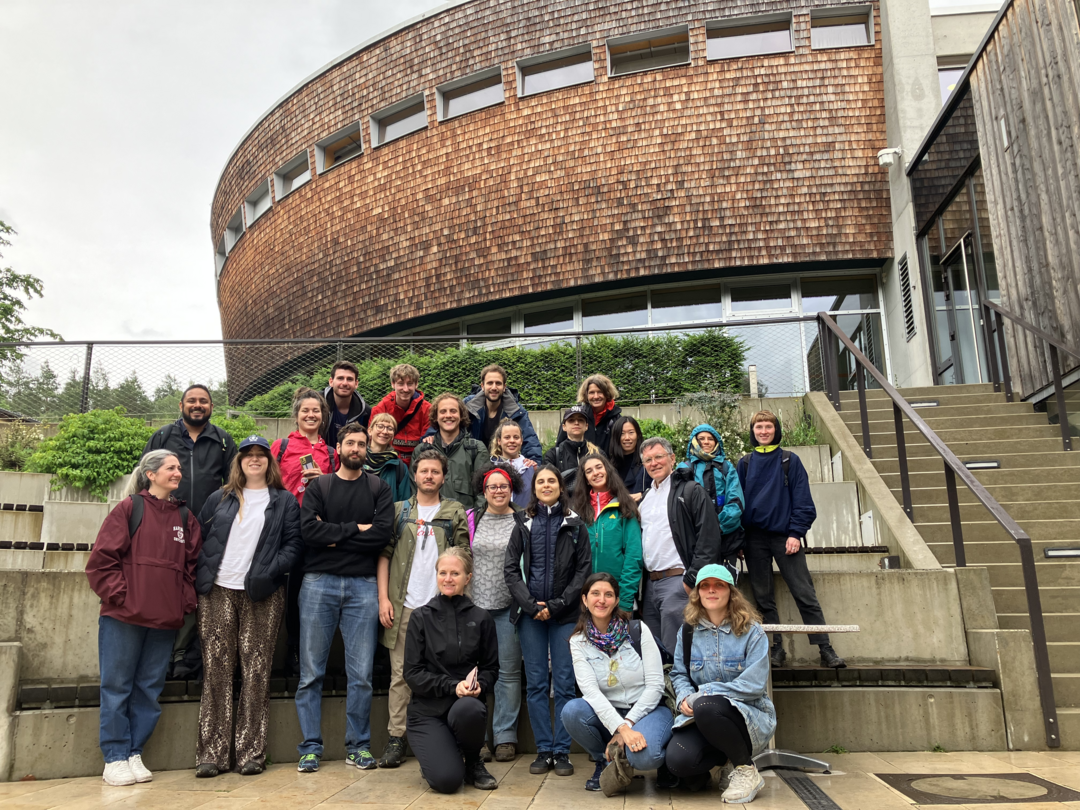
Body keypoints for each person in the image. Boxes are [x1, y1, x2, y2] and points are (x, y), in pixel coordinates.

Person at [86, 450, 202, 786]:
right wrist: (122, 596)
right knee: (117, 686)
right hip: (123, 617)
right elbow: (102, 560)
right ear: (151, 474)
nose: (177, 472)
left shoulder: (185, 516)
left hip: (164, 620)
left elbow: (191, 566)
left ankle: (134, 750)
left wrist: (183, 602)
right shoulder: (129, 508)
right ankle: (115, 756)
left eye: (179, 468)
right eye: (170, 468)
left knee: (148, 689)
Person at [194, 436, 303, 778]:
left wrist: (271, 571)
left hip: (262, 593)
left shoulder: (283, 501)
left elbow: (293, 544)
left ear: (269, 462)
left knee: (256, 672)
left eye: (260, 455)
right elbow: (200, 538)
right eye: (247, 455)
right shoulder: (221, 497)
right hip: (217, 591)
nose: (254, 460)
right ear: (239, 462)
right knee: (216, 670)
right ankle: (211, 753)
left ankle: (251, 752)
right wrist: (204, 575)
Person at [295, 423, 393, 773]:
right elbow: (309, 532)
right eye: (350, 442)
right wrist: (356, 529)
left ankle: (359, 746)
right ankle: (309, 747)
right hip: (318, 583)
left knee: (361, 674)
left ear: (367, 449)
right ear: (338, 447)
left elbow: (382, 534)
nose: (356, 448)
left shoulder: (378, 487)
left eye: (361, 444)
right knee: (310, 673)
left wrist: (334, 535)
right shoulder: (319, 485)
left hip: (363, 586)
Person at [376, 445, 470, 769]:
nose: (429, 476)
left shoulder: (455, 511)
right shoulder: (399, 510)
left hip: (440, 608)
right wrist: (383, 599)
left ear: (444, 477)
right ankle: (396, 738)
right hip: (404, 607)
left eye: (435, 471)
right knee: (400, 675)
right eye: (423, 471)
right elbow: (384, 555)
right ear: (414, 475)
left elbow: (463, 556)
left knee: (445, 673)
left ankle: (447, 736)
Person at [736, 411, 845, 669]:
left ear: (776, 430)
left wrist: (796, 533)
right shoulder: (745, 463)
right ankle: (776, 648)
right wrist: (739, 540)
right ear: (753, 431)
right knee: (763, 597)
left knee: (804, 593)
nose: (764, 431)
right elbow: (737, 503)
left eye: (768, 427)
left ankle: (825, 649)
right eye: (759, 427)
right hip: (754, 540)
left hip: (786, 537)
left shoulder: (789, 460)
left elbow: (804, 502)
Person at [142, 384, 237, 679]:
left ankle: (183, 653)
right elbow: (143, 479)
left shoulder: (222, 440)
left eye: (204, 401)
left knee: (196, 589)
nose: (198, 405)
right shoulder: (162, 437)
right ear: (181, 404)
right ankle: (160, 653)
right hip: (165, 525)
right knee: (163, 586)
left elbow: (235, 482)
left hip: (208, 530)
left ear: (211, 406)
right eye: (192, 401)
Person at [504, 464, 592, 777]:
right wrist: (530, 605)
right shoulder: (522, 522)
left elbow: (583, 571)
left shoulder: (575, 523)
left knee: (566, 684)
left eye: (551, 480)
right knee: (538, 683)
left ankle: (562, 751)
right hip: (530, 617)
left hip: (565, 615)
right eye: (540, 481)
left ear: (560, 486)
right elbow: (511, 570)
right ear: (534, 488)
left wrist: (556, 605)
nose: (545, 485)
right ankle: (544, 750)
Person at [666, 565, 775, 803]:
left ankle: (745, 769)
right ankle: (727, 761)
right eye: (705, 586)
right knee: (678, 762)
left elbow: (754, 685)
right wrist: (685, 696)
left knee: (707, 705)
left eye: (719, 585)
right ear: (698, 593)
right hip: (702, 715)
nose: (711, 591)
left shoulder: (752, 632)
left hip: (748, 717)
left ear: (731, 592)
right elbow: (679, 674)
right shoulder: (688, 631)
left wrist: (703, 694)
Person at [562, 573, 673, 795]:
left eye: (608, 595)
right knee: (572, 711)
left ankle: (650, 761)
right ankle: (605, 762)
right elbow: (591, 693)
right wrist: (620, 727)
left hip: (648, 710)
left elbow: (655, 686)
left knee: (645, 757)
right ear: (584, 600)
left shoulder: (638, 632)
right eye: (595, 594)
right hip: (609, 713)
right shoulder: (578, 642)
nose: (601, 600)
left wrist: (627, 726)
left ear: (616, 601)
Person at [404, 547, 500, 793]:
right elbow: (412, 674)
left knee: (470, 708)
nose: (448, 579)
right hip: (427, 712)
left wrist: (481, 685)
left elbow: (491, 668)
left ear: (468, 578)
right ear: (436, 576)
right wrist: (451, 686)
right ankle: (441, 757)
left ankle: (473, 761)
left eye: (455, 573)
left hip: (465, 707)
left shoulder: (482, 618)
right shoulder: (420, 617)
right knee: (447, 782)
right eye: (443, 572)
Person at [271, 387, 337, 678]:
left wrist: (323, 481)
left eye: (316, 411)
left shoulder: (331, 453)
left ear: (323, 416)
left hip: (317, 527)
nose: (311, 415)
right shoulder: (281, 446)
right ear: (296, 415)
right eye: (305, 411)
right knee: (288, 590)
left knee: (309, 593)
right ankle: (291, 653)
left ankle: (306, 654)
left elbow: (339, 492)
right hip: (287, 525)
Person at [637, 437, 722, 655]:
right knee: (656, 654)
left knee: (678, 653)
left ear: (672, 459)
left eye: (659, 457)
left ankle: (682, 690)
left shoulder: (690, 491)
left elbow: (709, 537)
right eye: (648, 460)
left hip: (677, 582)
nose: (654, 463)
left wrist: (691, 579)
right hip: (650, 586)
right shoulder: (645, 499)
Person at [466, 462, 525, 762]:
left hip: (509, 607)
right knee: (474, 673)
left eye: (504, 486)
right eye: (493, 486)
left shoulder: (523, 520)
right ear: (484, 490)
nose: (499, 490)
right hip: (475, 607)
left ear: (511, 488)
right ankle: (479, 739)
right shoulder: (471, 518)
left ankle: (505, 737)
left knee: (508, 673)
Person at [571, 453, 643, 613]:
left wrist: (624, 601)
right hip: (585, 598)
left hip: (616, 597)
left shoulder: (624, 507)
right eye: (589, 471)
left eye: (599, 467)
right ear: (585, 479)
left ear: (607, 470)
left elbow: (633, 556)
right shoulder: (577, 512)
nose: (595, 473)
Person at [679, 425, 746, 563]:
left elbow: (736, 501)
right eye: (701, 438)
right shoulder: (684, 468)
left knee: (726, 583)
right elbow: (680, 505)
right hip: (696, 542)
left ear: (717, 442)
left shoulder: (727, 467)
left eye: (710, 438)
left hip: (726, 539)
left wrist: (718, 526)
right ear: (694, 441)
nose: (706, 442)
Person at [463, 364, 543, 462]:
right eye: (490, 383)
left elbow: (530, 440)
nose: (494, 387)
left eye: (498, 383)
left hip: (503, 465)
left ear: (504, 387)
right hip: (473, 463)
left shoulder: (515, 410)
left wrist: (534, 465)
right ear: (482, 386)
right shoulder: (468, 406)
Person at [428, 392, 487, 509]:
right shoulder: (423, 450)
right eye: (443, 411)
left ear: (461, 416)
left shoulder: (477, 449)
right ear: (436, 416)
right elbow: (415, 491)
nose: (448, 415)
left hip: (465, 524)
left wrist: (474, 521)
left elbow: (483, 493)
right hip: (429, 524)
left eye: (453, 411)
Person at [369, 363, 431, 466]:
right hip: (388, 461)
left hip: (417, 462)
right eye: (401, 384)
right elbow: (373, 439)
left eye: (410, 384)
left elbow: (426, 440)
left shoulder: (427, 409)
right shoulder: (381, 407)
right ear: (393, 384)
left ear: (416, 385)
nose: (405, 389)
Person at [555, 374, 622, 455]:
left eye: (600, 392)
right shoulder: (575, 416)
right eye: (592, 392)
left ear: (607, 394)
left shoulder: (617, 419)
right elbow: (560, 447)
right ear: (586, 395)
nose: (596, 396)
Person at [543, 406, 601, 494]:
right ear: (564, 427)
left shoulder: (598, 454)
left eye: (580, 420)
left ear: (586, 426)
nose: (576, 423)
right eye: (571, 420)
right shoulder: (553, 455)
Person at [365, 412, 413, 502]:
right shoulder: (358, 459)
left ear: (393, 436)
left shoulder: (399, 467)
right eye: (380, 426)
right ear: (370, 431)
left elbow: (404, 502)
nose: (385, 431)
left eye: (390, 428)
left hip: (387, 515)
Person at [488, 418, 536, 508]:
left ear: (521, 440)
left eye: (516, 437)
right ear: (499, 441)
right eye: (507, 437)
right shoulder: (490, 467)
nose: (512, 441)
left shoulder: (531, 467)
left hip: (525, 519)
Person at [323, 361, 371, 449]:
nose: (345, 383)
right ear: (331, 382)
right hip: (320, 458)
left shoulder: (365, 412)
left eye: (349, 379)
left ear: (356, 384)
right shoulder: (317, 404)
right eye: (340, 378)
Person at [608, 416, 647, 501]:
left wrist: (643, 495)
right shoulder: (608, 467)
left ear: (638, 435)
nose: (627, 438)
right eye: (622, 433)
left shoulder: (647, 463)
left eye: (631, 432)